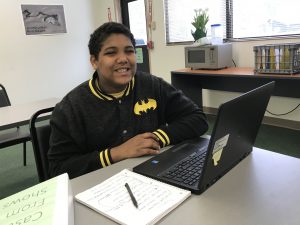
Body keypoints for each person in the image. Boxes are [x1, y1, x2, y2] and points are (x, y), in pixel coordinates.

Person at [48, 22, 208, 179]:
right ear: (94, 61)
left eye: (129, 51)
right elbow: (58, 169)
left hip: (152, 174)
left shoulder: (152, 85)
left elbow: (198, 119)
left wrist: (154, 138)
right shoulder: (70, 108)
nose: (123, 59)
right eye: (111, 53)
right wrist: (115, 153)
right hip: (101, 187)